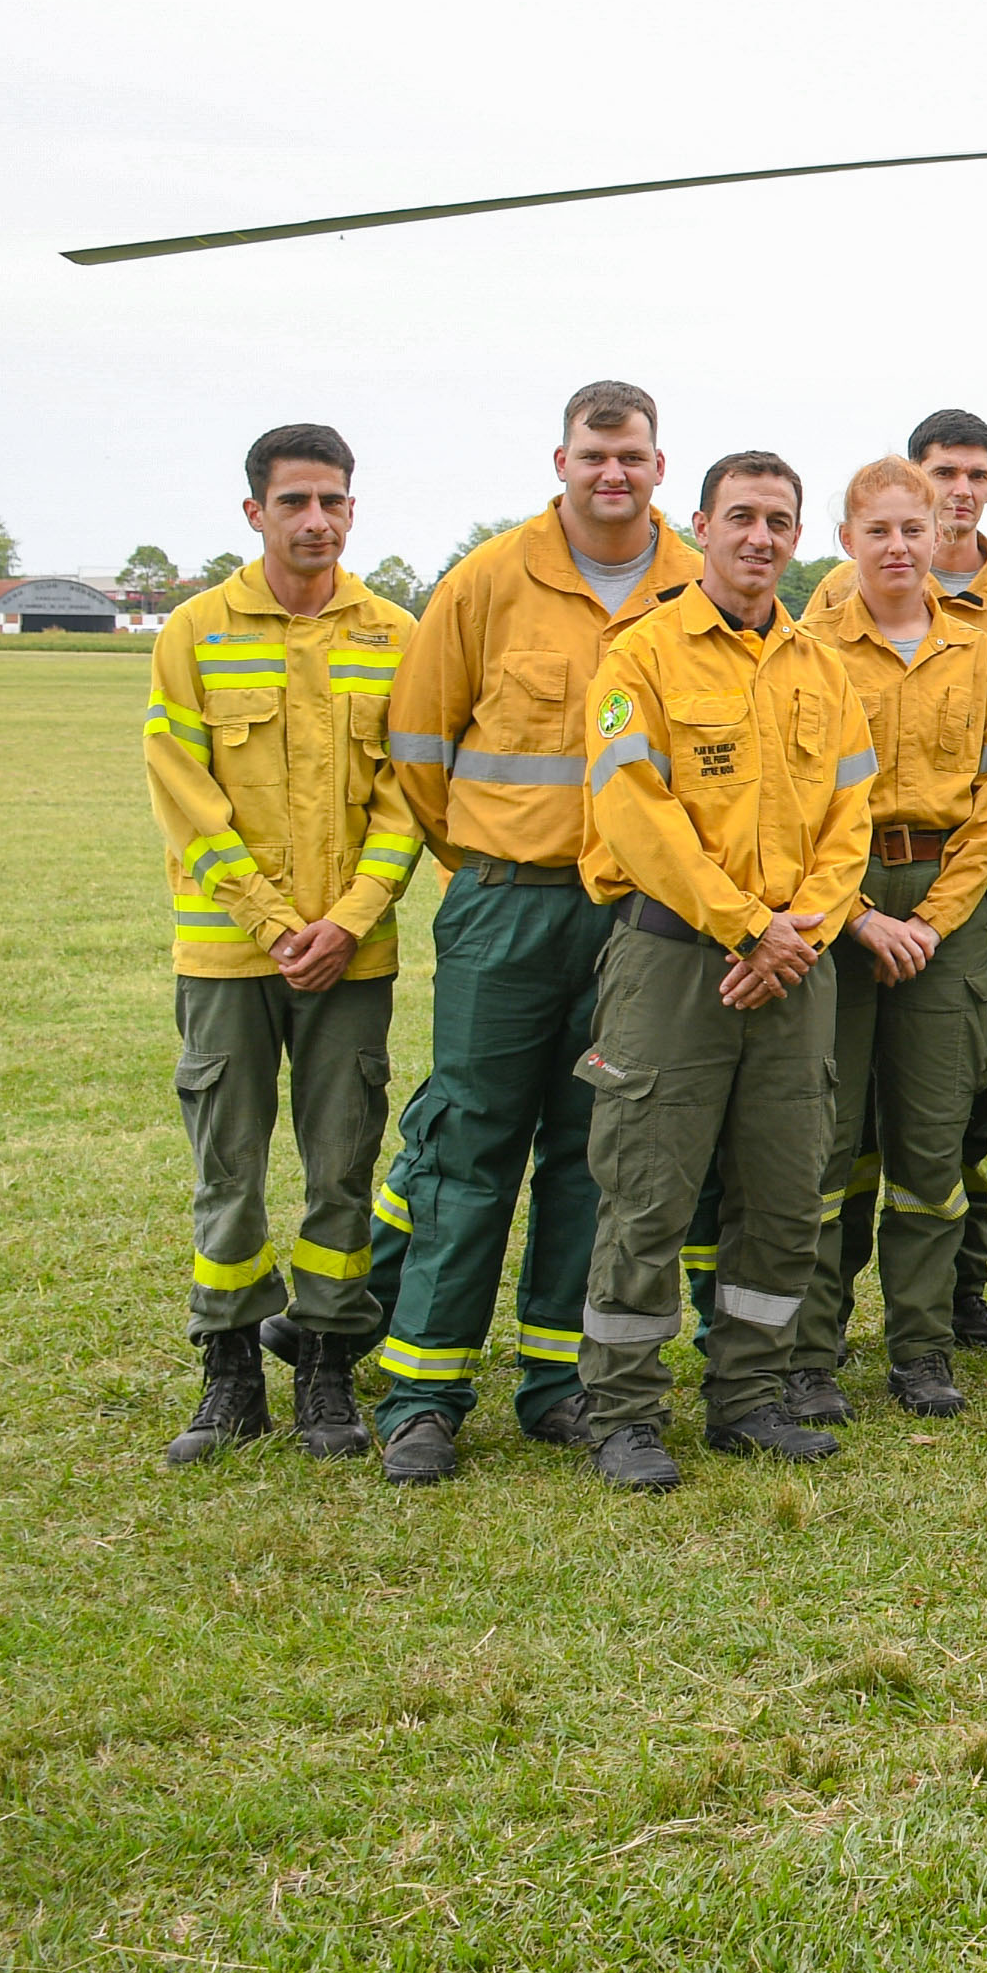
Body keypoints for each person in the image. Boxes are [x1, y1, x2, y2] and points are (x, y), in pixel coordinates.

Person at [368, 380, 704, 1485]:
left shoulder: (692, 584)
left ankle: (557, 1386)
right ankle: (423, 1394)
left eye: (634, 457)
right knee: (471, 1146)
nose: (615, 473)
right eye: (595, 455)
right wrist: (484, 859)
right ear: (560, 461)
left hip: (637, 918)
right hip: (507, 901)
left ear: (660, 467)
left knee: (592, 1158)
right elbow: (418, 747)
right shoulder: (488, 581)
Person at [570, 450, 876, 1490]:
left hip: (796, 970)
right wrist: (746, 926)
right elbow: (633, 812)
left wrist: (800, 930)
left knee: (786, 1195)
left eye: (779, 520)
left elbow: (851, 822)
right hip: (674, 961)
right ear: (698, 525)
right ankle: (620, 1413)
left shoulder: (822, 668)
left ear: (798, 538)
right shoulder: (642, 657)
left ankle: (749, 1397)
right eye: (740, 516)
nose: (760, 537)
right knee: (648, 1195)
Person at [142, 423, 425, 1463]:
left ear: (354, 510)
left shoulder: (394, 635)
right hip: (228, 954)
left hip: (353, 957)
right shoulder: (195, 633)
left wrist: (347, 920)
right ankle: (227, 1374)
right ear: (254, 511)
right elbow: (184, 796)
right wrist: (271, 921)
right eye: (295, 501)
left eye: (334, 501)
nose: (316, 520)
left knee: (344, 1166)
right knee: (229, 1169)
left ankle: (323, 1367)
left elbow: (409, 796)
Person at [800, 405, 987, 1350]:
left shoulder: (980, 654)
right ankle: (813, 1348)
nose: (901, 546)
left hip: (946, 906)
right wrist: (859, 914)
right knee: (825, 1134)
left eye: (914, 528)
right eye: (881, 531)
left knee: (935, 1132)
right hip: (838, 903)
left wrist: (937, 921)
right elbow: (795, 803)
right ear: (847, 541)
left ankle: (920, 1341)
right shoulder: (811, 649)